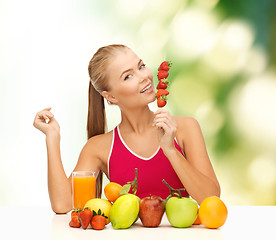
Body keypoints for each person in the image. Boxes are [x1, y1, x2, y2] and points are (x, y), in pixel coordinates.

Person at [33, 44, 220, 214]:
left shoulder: (185, 128)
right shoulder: (98, 147)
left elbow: (211, 198)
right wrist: (52, 136)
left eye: (141, 66)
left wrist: (171, 150)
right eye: (128, 76)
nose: (144, 77)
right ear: (111, 97)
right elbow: (63, 204)